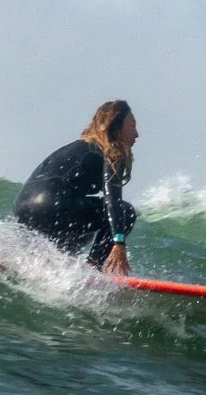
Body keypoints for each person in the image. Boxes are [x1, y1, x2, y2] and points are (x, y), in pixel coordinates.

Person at [15, 100, 138, 277]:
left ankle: (45, 267)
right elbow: (113, 201)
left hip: (25, 208)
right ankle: (92, 271)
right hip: (54, 206)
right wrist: (119, 242)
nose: (136, 134)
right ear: (116, 127)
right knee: (126, 211)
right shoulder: (112, 150)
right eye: (132, 126)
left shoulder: (78, 147)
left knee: (78, 231)